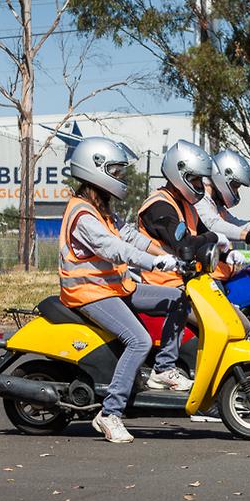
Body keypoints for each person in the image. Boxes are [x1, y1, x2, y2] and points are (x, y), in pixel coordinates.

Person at [59, 136, 190, 444]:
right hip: (90, 293)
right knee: (139, 339)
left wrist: (167, 253)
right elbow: (113, 248)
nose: (120, 178)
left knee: (179, 299)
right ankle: (110, 413)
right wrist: (153, 264)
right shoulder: (83, 214)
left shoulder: (101, 208)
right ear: (97, 171)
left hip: (115, 286)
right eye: (115, 172)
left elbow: (129, 234)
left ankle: (164, 369)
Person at [137, 140, 236, 287]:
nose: (199, 185)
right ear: (178, 174)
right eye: (194, 179)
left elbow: (202, 236)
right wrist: (215, 237)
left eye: (200, 179)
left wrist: (225, 255)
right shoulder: (158, 207)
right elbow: (185, 245)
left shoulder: (187, 205)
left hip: (189, 280)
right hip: (165, 284)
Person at [195, 148, 250, 254]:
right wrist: (248, 235)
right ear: (222, 177)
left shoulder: (216, 204)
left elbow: (235, 223)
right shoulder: (199, 199)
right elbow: (213, 225)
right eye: (235, 186)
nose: (236, 191)